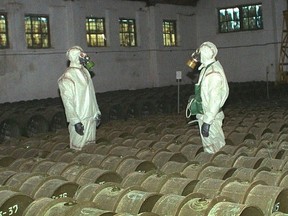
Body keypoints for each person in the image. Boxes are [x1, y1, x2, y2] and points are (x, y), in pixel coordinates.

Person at [187, 41, 229, 153]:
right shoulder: (207, 68)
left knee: (214, 147)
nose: (197, 57)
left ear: (205, 55)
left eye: (199, 54)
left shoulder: (213, 74)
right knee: (210, 146)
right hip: (206, 114)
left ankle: (219, 166)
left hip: (211, 117)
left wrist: (208, 122)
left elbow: (215, 101)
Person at [58, 46, 101, 150]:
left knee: (90, 148)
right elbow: (68, 102)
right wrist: (75, 121)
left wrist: (96, 112)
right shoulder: (67, 77)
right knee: (79, 149)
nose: (85, 57)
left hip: (90, 117)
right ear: (75, 57)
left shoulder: (85, 72)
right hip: (80, 118)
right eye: (81, 55)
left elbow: (91, 94)